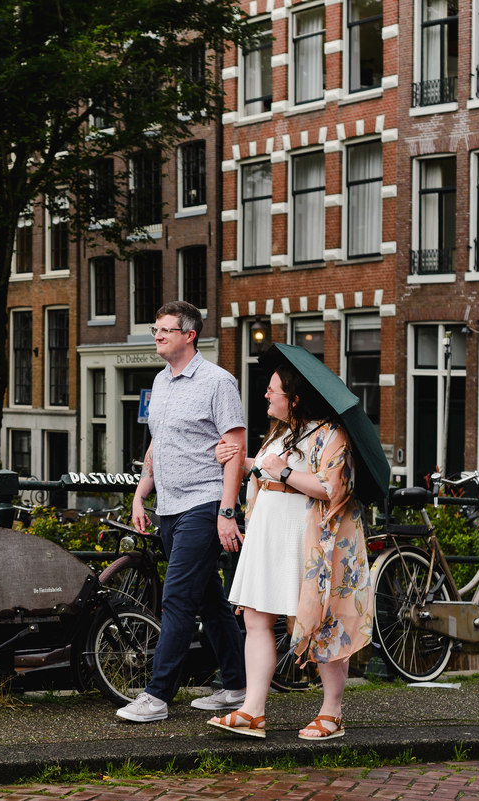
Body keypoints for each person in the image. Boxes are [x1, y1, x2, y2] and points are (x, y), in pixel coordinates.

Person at [207, 362, 372, 740]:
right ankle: (253, 711)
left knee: (322, 623)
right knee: (256, 618)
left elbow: (333, 489)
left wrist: (282, 472)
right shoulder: (280, 433)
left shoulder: (332, 434)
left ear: (294, 399)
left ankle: (332, 713)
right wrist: (239, 460)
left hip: (305, 538)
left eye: (273, 390)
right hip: (269, 533)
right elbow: (266, 470)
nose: (265, 394)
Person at [116, 301, 248, 723]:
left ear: (189, 335)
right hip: (169, 507)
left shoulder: (218, 382)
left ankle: (156, 696)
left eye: (166, 330)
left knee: (176, 599)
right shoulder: (160, 381)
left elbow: (235, 449)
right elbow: (158, 443)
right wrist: (140, 495)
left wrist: (227, 511)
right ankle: (237, 686)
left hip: (204, 504)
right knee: (209, 599)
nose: (157, 335)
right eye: (155, 329)